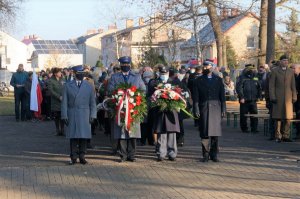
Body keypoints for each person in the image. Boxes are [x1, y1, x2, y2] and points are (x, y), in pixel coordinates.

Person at [107, 56, 146, 162]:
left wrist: (136, 97)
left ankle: (132, 155)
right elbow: (110, 91)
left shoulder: (137, 77)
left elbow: (143, 90)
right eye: (123, 65)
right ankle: (123, 155)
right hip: (120, 109)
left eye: (127, 64)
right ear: (120, 65)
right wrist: (118, 96)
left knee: (132, 132)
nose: (125, 66)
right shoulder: (115, 77)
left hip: (133, 108)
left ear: (130, 65)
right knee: (122, 133)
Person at [61, 65, 97, 165]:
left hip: (85, 114)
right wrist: (64, 115)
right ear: (74, 74)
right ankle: (73, 157)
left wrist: (93, 115)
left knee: (83, 136)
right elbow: (64, 102)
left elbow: (92, 102)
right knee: (73, 137)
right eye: (79, 73)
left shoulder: (88, 86)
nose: (81, 75)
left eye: (82, 73)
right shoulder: (68, 85)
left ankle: (82, 156)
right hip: (72, 113)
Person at [193, 61, 226, 162]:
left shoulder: (218, 80)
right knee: (205, 133)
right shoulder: (198, 80)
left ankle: (214, 154)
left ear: (212, 67)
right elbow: (196, 97)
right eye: (204, 66)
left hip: (216, 108)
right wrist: (196, 108)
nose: (206, 68)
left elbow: (222, 96)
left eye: (207, 66)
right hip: (204, 108)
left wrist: (223, 109)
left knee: (215, 133)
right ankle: (205, 154)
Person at [148, 66, 181, 161]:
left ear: (168, 73)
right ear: (159, 73)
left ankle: (172, 153)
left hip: (171, 111)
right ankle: (161, 153)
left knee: (172, 132)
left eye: (165, 74)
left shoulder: (174, 82)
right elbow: (150, 96)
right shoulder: (154, 82)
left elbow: (181, 94)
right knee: (161, 132)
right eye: (162, 74)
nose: (163, 76)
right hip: (159, 111)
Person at [269, 55, 297, 143]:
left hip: (288, 98)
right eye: (284, 60)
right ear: (280, 61)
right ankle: (278, 136)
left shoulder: (290, 71)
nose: (286, 62)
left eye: (287, 61)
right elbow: (271, 86)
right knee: (278, 118)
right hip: (278, 97)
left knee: (288, 118)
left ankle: (286, 135)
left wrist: (294, 96)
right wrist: (272, 96)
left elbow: (293, 85)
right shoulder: (274, 71)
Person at [236, 64, 262, 133]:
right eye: (249, 69)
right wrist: (241, 97)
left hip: (253, 100)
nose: (251, 70)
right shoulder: (242, 77)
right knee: (243, 116)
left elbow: (259, 88)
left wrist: (259, 96)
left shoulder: (256, 77)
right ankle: (244, 129)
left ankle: (254, 128)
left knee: (254, 115)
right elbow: (239, 88)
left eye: (253, 69)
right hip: (244, 100)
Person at [48, 68, 64, 136]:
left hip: (63, 101)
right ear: (55, 74)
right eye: (59, 72)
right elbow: (51, 91)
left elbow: (66, 87)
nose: (60, 73)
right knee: (57, 117)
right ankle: (58, 130)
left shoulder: (62, 79)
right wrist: (59, 97)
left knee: (63, 116)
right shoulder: (51, 81)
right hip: (55, 102)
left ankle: (62, 130)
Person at [292, 63, 300, 140]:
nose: (292, 70)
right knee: (297, 116)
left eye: (294, 68)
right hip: (296, 101)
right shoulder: (294, 77)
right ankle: (298, 132)